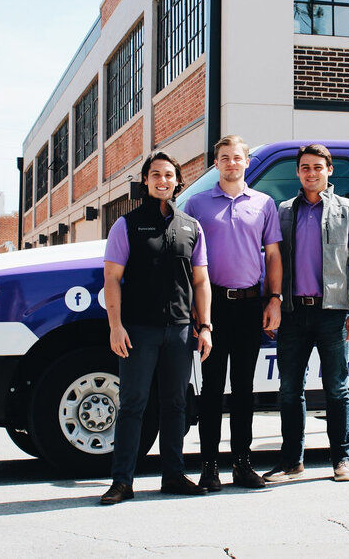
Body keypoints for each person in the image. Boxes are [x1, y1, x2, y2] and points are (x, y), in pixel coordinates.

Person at [99, 151, 213, 504]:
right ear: (146, 181)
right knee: (133, 404)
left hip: (179, 330)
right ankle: (122, 481)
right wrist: (115, 326)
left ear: (178, 181)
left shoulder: (191, 227)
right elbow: (112, 278)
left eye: (168, 175)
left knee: (176, 404)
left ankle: (174, 476)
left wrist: (204, 325)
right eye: (155, 175)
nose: (162, 181)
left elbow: (201, 280)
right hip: (137, 330)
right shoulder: (127, 225)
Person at [263, 143, 349, 483]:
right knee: (290, 389)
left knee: (336, 388)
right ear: (298, 172)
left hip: (332, 312)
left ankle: (342, 460)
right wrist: (274, 301)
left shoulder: (346, 210)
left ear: (329, 171)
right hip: (293, 312)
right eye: (305, 167)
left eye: (317, 167)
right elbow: (271, 260)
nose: (311, 173)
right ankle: (292, 461)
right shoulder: (282, 211)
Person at [184, 134, 282, 490]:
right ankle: (209, 467)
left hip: (249, 306)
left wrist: (274, 299)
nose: (231, 163)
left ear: (246, 162)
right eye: (224, 158)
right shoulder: (196, 205)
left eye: (237, 157)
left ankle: (243, 464)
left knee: (243, 389)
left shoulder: (264, 204)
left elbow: (272, 256)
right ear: (216, 164)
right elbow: (188, 262)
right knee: (211, 389)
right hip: (212, 309)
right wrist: (198, 316)